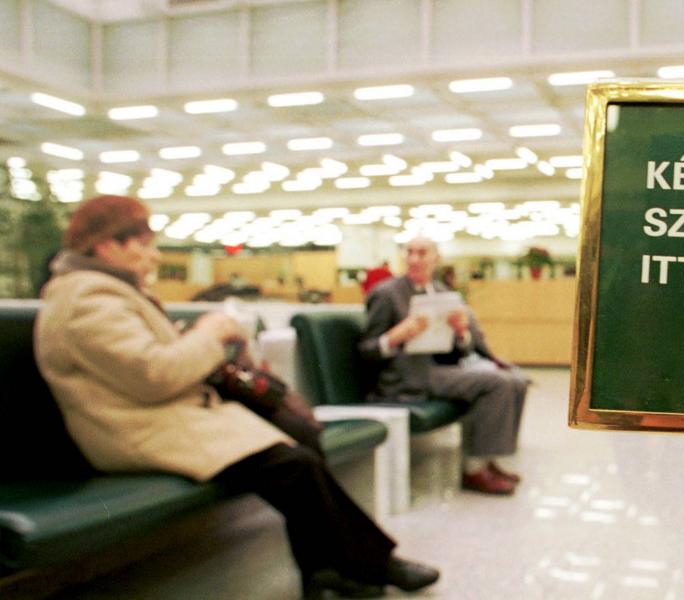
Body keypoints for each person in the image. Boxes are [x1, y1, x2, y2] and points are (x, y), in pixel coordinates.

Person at [33, 195, 438, 599]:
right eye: (144, 245)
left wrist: (205, 341)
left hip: (161, 415)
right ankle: (374, 564)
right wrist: (207, 334)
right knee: (292, 465)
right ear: (107, 246)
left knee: (301, 434)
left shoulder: (106, 292)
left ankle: (325, 569)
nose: (154, 256)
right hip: (134, 428)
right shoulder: (87, 300)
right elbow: (155, 375)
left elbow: (143, 365)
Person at [359, 236, 528, 495]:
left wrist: (461, 333)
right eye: (409, 252)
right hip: (405, 375)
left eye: (422, 253)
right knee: (496, 383)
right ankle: (474, 469)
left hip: (438, 370)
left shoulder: (441, 293)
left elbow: (460, 351)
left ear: (436, 259)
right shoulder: (386, 293)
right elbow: (366, 350)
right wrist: (395, 337)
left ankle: (487, 460)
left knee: (516, 379)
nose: (414, 259)